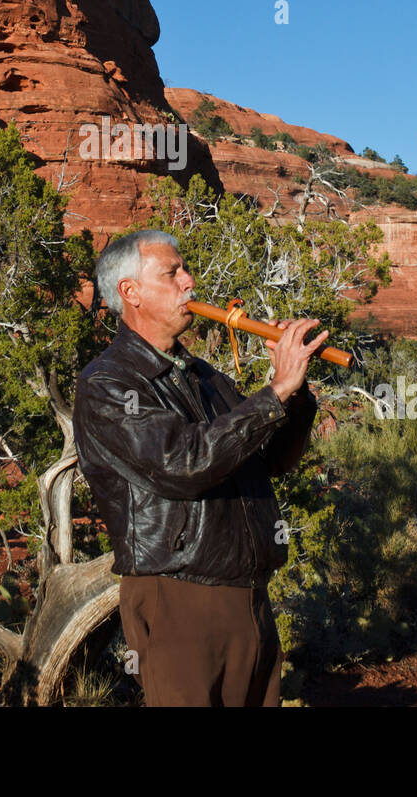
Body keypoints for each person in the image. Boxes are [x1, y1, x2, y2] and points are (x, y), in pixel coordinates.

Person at [73, 228, 325, 706]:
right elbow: (183, 463)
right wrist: (275, 393)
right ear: (131, 293)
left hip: (247, 595)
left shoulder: (203, 375)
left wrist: (297, 394)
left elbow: (272, 460)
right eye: (173, 273)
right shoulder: (108, 383)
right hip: (179, 597)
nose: (190, 281)